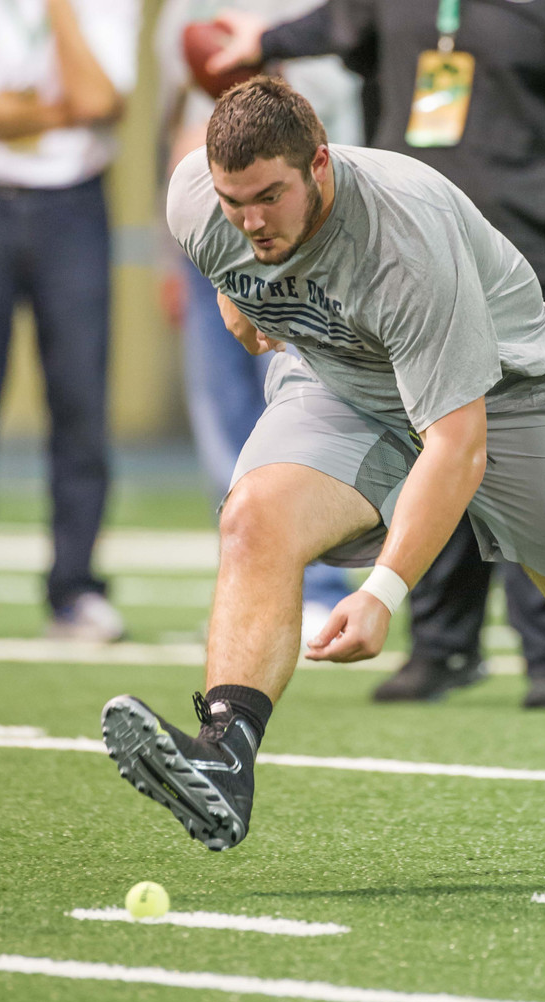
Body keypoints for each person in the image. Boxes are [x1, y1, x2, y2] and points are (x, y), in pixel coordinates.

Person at [102, 78, 545, 854]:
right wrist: (239, 294)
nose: (251, 220)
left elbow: (458, 445)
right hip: (344, 381)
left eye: (269, 197)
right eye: (234, 201)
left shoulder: (403, 235)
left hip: (507, 395)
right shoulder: (197, 199)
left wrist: (383, 593)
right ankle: (224, 757)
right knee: (254, 518)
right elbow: (228, 263)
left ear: (320, 163)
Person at [201, 0, 545, 709]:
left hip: (543, 253)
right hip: (402, 260)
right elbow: (349, 20)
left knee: (528, 441)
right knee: (423, 427)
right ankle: (442, 642)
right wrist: (269, 38)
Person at [153, 0, 364, 641]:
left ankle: (319, 587)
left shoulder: (327, 14)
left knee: (304, 408)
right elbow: (173, 121)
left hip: (306, 234)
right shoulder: (187, 9)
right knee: (225, 418)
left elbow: (348, 127)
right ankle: (247, 585)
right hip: (213, 231)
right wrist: (170, 253)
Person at [0, 0, 141, 640]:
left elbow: (99, 99)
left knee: (79, 403)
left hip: (73, 206)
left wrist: (59, 11)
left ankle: (74, 588)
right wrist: (57, 113)